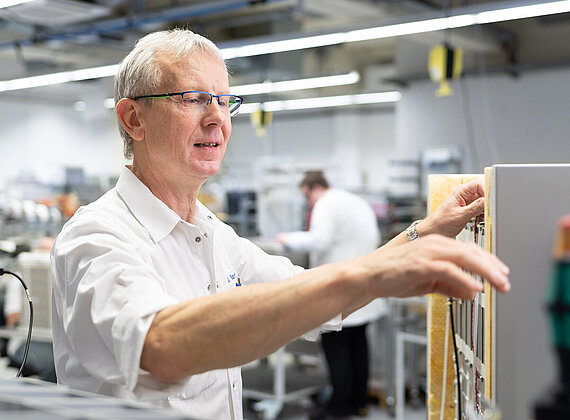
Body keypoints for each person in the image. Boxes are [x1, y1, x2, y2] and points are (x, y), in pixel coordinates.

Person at [50, 28, 510, 420]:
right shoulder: (98, 237)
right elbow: (161, 346)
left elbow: (314, 295)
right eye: (193, 99)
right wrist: (369, 273)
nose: (217, 118)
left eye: (225, 101)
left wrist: (425, 232)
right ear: (134, 118)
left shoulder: (213, 234)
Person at [277, 170, 387, 419]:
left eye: (307, 197)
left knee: (337, 349)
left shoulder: (326, 203)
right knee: (358, 347)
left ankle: (338, 408)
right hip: (364, 287)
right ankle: (358, 402)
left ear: (315, 188)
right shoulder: (356, 202)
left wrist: (287, 238)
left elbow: (320, 240)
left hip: (339, 288)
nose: (308, 204)